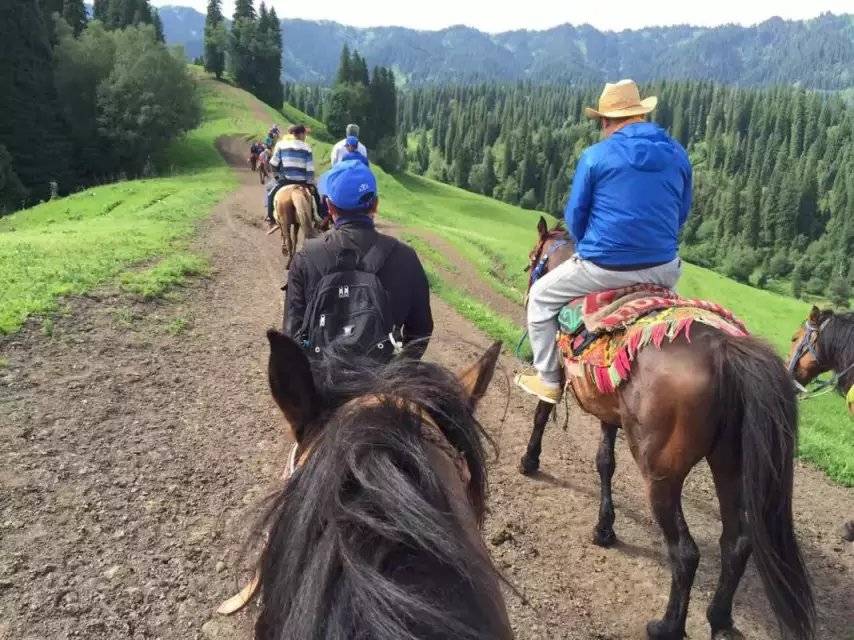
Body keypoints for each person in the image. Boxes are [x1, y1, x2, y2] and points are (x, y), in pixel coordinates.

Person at [515, 79, 692, 404]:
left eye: (601, 123)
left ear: (607, 121)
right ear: (639, 115)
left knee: (540, 297)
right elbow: (681, 213)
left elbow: (576, 217)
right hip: (664, 270)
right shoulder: (678, 153)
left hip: (604, 268)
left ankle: (548, 378)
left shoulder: (595, 156)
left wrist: (587, 250)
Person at [284, 159, 433, 360]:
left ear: (329, 206)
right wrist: (397, 374)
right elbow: (421, 330)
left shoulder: (305, 258)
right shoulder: (406, 257)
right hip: (382, 383)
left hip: (320, 384)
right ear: (376, 204)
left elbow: (291, 333)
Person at [266, 124, 320, 225]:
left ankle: (270, 217)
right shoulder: (307, 147)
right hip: (302, 181)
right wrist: (310, 183)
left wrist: (277, 177)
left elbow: (273, 163)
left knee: (271, 195)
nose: (305, 136)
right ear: (301, 134)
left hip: (285, 180)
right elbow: (310, 169)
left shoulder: (282, 145)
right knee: (316, 196)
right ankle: (318, 217)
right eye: (305, 134)